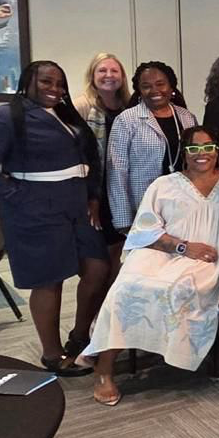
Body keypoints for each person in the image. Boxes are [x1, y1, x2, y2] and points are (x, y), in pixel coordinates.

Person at [80, 126, 219, 405]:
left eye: (208, 147)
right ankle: (104, 368)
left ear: (217, 150)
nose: (202, 154)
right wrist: (183, 247)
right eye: (194, 148)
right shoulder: (164, 184)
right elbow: (145, 229)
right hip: (161, 251)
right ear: (184, 153)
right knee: (126, 288)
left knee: (179, 289)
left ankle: (167, 351)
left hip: (207, 259)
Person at [0, 61, 109, 377]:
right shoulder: (6, 117)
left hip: (76, 206)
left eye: (59, 83)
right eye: (46, 82)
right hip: (35, 210)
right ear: (27, 81)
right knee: (49, 280)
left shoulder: (64, 114)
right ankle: (52, 354)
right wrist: (17, 195)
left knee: (97, 267)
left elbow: (87, 157)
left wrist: (92, 196)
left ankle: (80, 335)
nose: (54, 89)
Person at [107, 62, 198, 233]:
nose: (154, 90)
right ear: (139, 90)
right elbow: (117, 171)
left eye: (160, 84)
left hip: (184, 203)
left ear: (171, 86)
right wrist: (123, 219)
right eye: (146, 86)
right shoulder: (126, 120)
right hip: (144, 205)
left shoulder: (187, 117)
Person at [74, 53, 132, 275]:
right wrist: (89, 196)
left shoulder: (128, 106)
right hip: (93, 191)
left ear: (122, 76)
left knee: (117, 252)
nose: (109, 75)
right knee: (96, 264)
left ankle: (110, 297)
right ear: (92, 75)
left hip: (119, 189)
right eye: (102, 70)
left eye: (114, 71)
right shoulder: (82, 106)